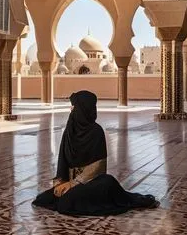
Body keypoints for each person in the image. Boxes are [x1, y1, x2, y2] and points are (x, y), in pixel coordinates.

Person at [32, 90, 160, 216]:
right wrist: (60, 183)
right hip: (70, 181)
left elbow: (98, 167)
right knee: (43, 199)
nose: (71, 111)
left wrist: (72, 184)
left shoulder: (96, 132)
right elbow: (62, 160)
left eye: (74, 107)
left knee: (66, 203)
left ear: (83, 109)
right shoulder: (70, 131)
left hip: (90, 182)